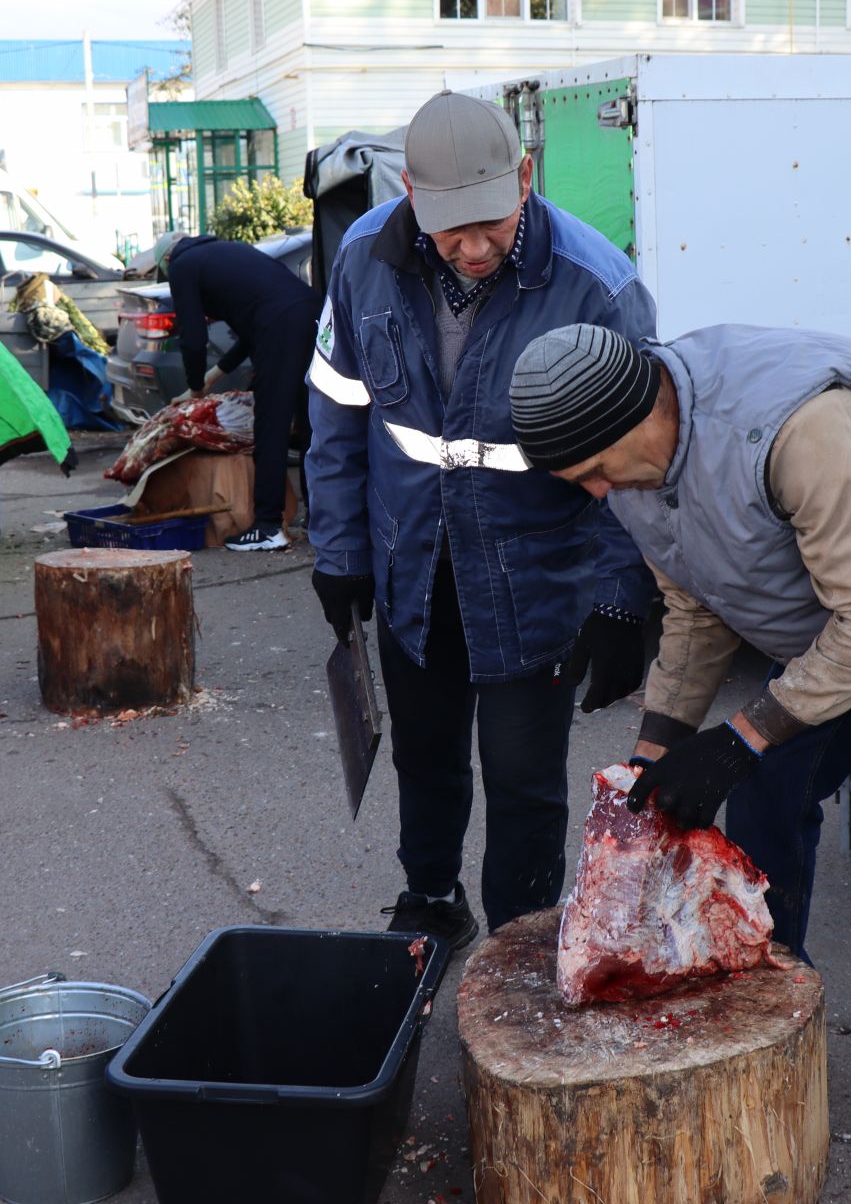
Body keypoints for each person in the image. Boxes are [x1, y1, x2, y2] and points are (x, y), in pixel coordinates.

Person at [509, 323, 851, 1204]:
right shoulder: (624, 465)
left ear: (647, 403)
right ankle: (772, 1030)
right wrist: (652, 758)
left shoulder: (792, 427)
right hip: (842, 605)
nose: (600, 492)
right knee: (765, 794)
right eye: (582, 482)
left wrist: (741, 737)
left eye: (599, 471)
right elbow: (695, 605)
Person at [305, 90, 658, 950]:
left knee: (522, 775)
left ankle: (521, 937)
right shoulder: (362, 259)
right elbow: (337, 409)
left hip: (534, 576)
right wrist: (340, 547)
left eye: (492, 223)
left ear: (526, 178)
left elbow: (642, 455)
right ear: (412, 198)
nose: (472, 247)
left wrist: (624, 594)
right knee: (424, 754)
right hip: (412, 563)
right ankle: (430, 897)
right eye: (450, 227)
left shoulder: (596, 286)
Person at [164, 233, 323, 550]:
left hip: (281, 326)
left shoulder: (181, 265)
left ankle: (267, 526)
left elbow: (193, 339)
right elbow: (256, 326)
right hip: (314, 313)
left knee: (271, 425)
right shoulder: (226, 252)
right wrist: (212, 377)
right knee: (312, 426)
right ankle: (322, 518)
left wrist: (195, 388)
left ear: (166, 260)